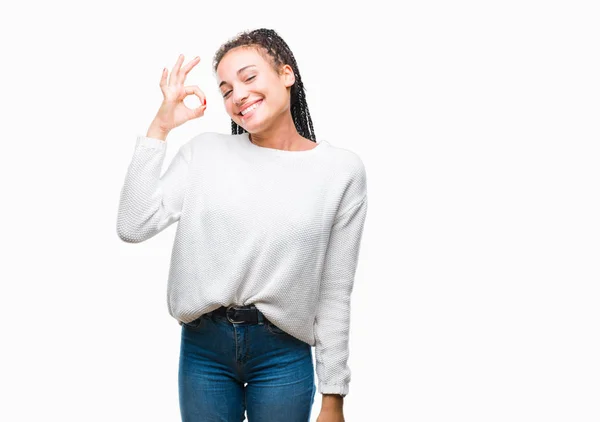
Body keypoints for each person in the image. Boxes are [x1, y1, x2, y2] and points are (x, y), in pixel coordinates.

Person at [116, 28, 368, 422]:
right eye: (226, 89)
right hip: (204, 349)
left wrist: (333, 395)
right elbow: (133, 225)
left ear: (287, 75)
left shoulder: (340, 171)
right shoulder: (205, 153)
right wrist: (160, 128)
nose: (238, 95)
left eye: (249, 78)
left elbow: (335, 289)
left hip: (284, 353)